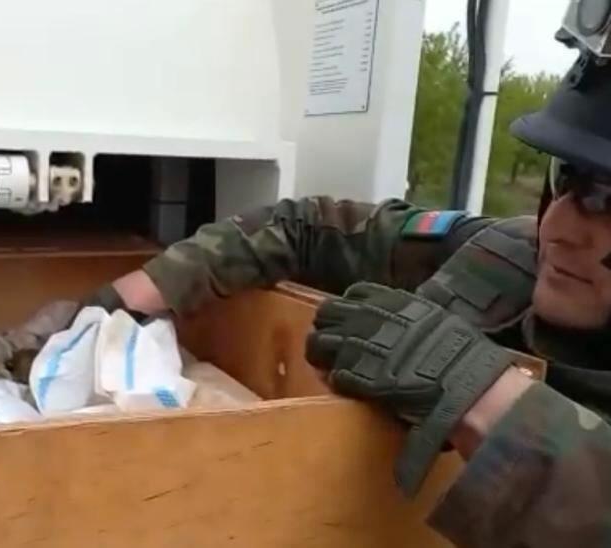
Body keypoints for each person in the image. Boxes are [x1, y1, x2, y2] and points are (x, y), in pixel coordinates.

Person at [82, 50, 611, 546]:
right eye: (566, 179)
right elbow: (307, 226)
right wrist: (133, 295)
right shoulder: (508, 253)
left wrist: (487, 400)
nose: (559, 227)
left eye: (607, 199)